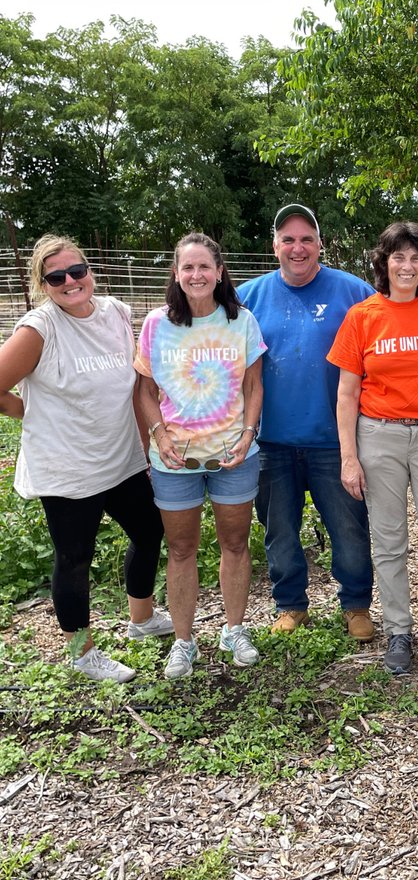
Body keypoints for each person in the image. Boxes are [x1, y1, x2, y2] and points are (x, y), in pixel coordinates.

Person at [0, 235, 170, 682]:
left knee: (150, 531)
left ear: (90, 271)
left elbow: (133, 383)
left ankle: (142, 619)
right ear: (43, 284)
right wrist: (26, 410)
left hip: (121, 458)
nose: (71, 282)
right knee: (73, 558)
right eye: (57, 277)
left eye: (78, 271)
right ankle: (81, 651)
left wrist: (146, 444)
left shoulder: (116, 313)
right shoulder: (40, 329)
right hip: (68, 469)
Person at [329, 222, 418, 679]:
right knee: (389, 542)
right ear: (384, 262)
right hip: (379, 436)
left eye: (415, 258)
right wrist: (349, 457)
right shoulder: (362, 316)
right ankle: (399, 632)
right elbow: (347, 394)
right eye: (398, 257)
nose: (406, 266)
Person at [238, 203, 375, 641]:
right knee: (279, 530)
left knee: (349, 528)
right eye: (288, 239)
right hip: (272, 439)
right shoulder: (248, 297)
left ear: (320, 245)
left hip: (335, 439)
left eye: (306, 239)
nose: (298, 248)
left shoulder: (353, 292)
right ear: (274, 246)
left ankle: (356, 604)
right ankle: (291, 604)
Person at [135, 233, 266, 680]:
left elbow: (253, 385)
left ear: (219, 272)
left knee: (235, 543)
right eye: (187, 267)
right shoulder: (156, 324)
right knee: (181, 548)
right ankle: (184, 642)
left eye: (204, 267)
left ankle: (234, 629)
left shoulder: (242, 322)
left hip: (233, 455)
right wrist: (158, 435)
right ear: (176, 274)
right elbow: (145, 391)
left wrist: (249, 434)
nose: (196, 275)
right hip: (174, 459)